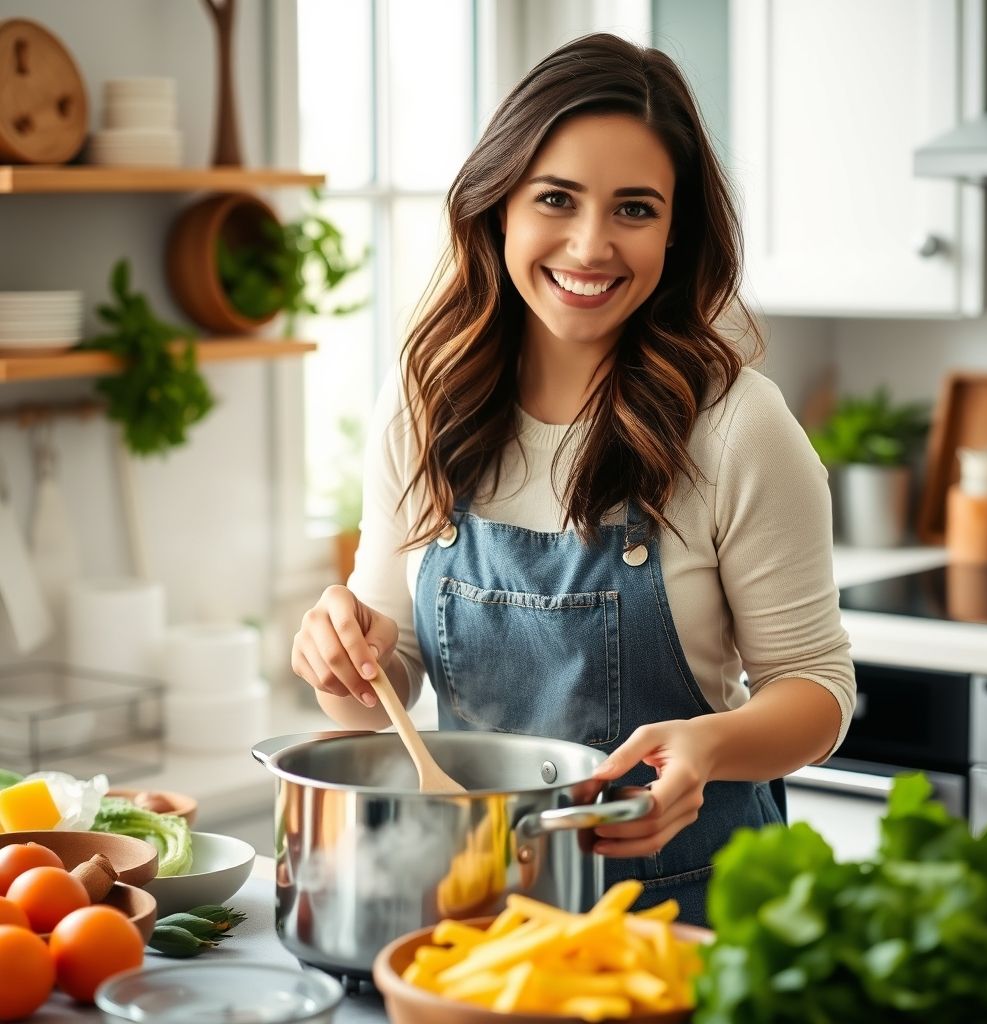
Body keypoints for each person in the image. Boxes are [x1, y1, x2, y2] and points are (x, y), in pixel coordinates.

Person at [291, 32, 855, 927]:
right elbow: (374, 686)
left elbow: (817, 693)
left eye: (635, 209)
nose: (591, 246)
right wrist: (338, 651)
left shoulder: (739, 425)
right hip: (477, 912)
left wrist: (708, 747)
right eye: (557, 198)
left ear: (677, 231)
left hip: (691, 922)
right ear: (499, 207)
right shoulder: (425, 402)